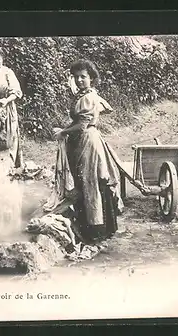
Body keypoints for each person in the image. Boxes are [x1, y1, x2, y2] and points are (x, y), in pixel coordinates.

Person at [53, 59, 123, 243]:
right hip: (83, 141)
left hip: (88, 142)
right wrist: (65, 129)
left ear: (91, 78)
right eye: (76, 77)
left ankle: (97, 230)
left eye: (83, 77)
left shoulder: (88, 97)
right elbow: (77, 122)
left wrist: (63, 132)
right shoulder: (83, 95)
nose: (79, 80)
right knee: (84, 181)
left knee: (90, 181)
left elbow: (83, 125)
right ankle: (94, 227)